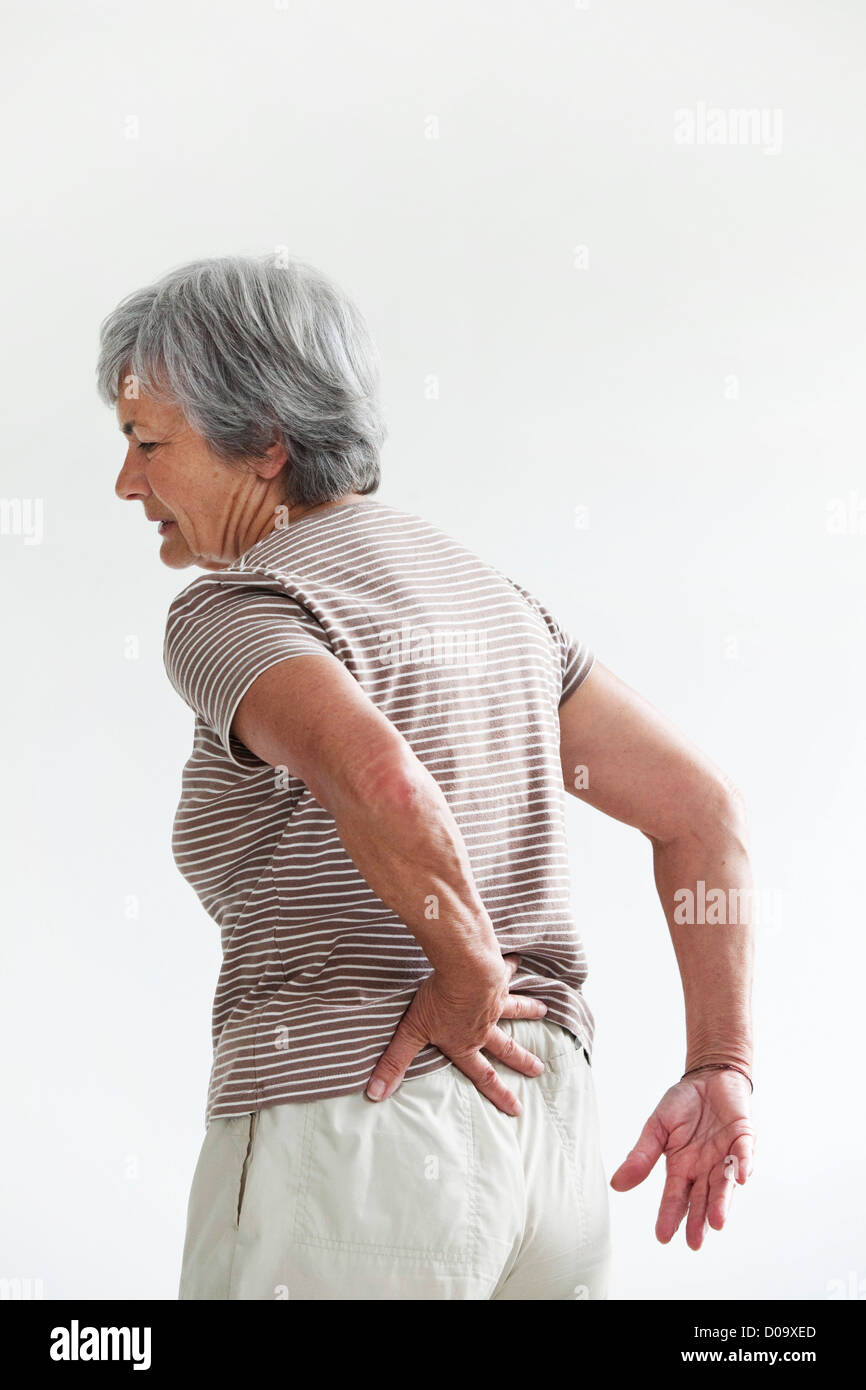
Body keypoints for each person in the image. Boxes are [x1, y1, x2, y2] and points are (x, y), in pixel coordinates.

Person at [96, 253, 755, 1301]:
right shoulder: (498, 604)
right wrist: (720, 1062)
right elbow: (701, 813)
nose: (127, 483)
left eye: (146, 441)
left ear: (263, 439)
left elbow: (381, 781)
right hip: (548, 1141)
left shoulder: (240, 609)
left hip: (358, 1131)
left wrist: (468, 975)